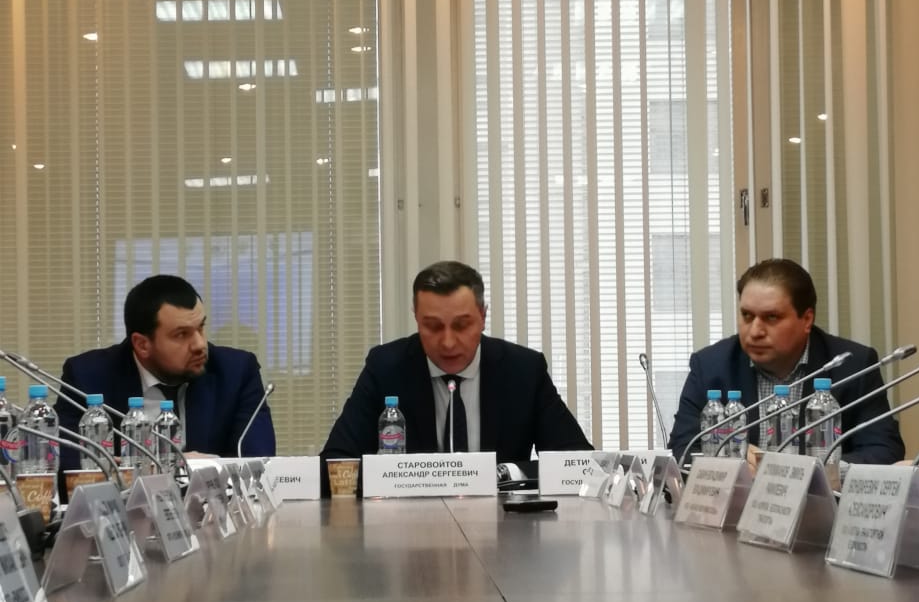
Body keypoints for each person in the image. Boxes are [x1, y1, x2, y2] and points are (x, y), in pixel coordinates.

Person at [321, 260, 591, 484]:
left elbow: (578, 464)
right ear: (416, 318)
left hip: (504, 524)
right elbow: (333, 464)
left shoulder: (523, 370)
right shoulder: (386, 368)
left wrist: (507, 474)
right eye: (433, 326)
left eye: (462, 325)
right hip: (409, 524)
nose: (448, 342)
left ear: (483, 316)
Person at [668, 258, 904, 468]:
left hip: (821, 501)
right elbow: (682, 450)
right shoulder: (710, 366)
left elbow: (884, 451)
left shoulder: (852, 366)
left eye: (771, 317)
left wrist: (815, 471)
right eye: (747, 316)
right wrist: (730, 465)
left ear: (807, 319)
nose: (755, 331)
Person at [57, 274, 276, 464]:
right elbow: (68, 462)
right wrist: (168, 467)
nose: (200, 344)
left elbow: (258, 462)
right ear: (142, 345)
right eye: (182, 334)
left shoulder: (236, 373)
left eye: (201, 327)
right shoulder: (88, 377)